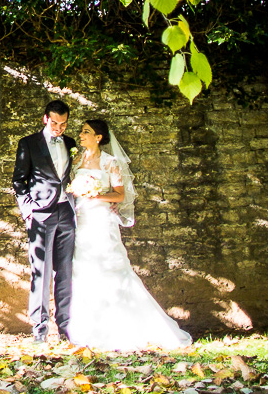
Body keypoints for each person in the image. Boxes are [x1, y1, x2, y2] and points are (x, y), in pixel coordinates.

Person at [66, 118, 192, 351]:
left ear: (99, 137)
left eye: (86, 132)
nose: (81, 135)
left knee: (112, 269)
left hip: (102, 222)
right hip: (82, 222)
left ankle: (126, 326)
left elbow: (120, 196)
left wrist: (95, 195)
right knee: (84, 270)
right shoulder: (77, 160)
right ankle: (90, 328)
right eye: (82, 132)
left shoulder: (110, 163)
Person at [12, 99, 77, 343]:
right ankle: (40, 330)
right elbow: (19, 181)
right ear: (45, 119)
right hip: (41, 214)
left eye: (64, 124)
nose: (59, 128)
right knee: (41, 271)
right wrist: (28, 211)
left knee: (65, 271)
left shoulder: (70, 144)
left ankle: (65, 327)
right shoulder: (28, 143)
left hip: (66, 213)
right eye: (55, 123)